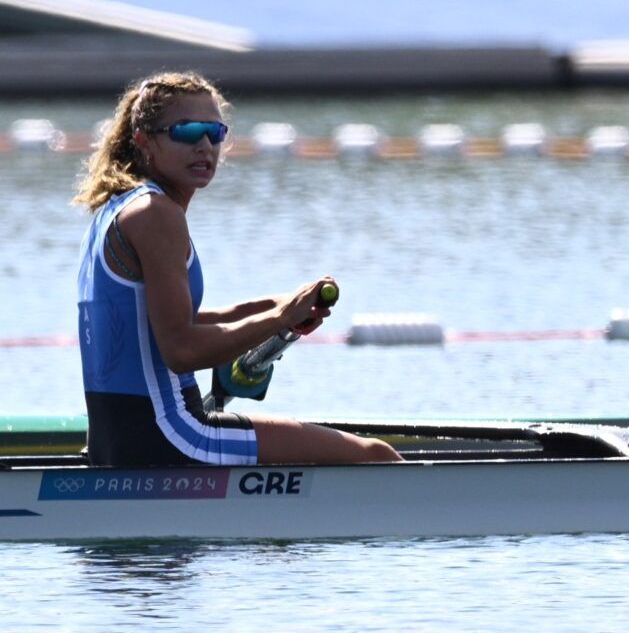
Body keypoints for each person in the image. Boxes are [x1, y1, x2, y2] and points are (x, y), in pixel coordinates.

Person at [74, 71, 402, 467]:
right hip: (173, 437)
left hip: (115, 443)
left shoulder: (118, 207)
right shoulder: (156, 214)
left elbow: (163, 320)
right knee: (375, 457)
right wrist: (280, 317)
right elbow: (180, 350)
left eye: (215, 132)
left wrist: (279, 306)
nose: (205, 145)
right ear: (144, 140)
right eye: (187, 131)